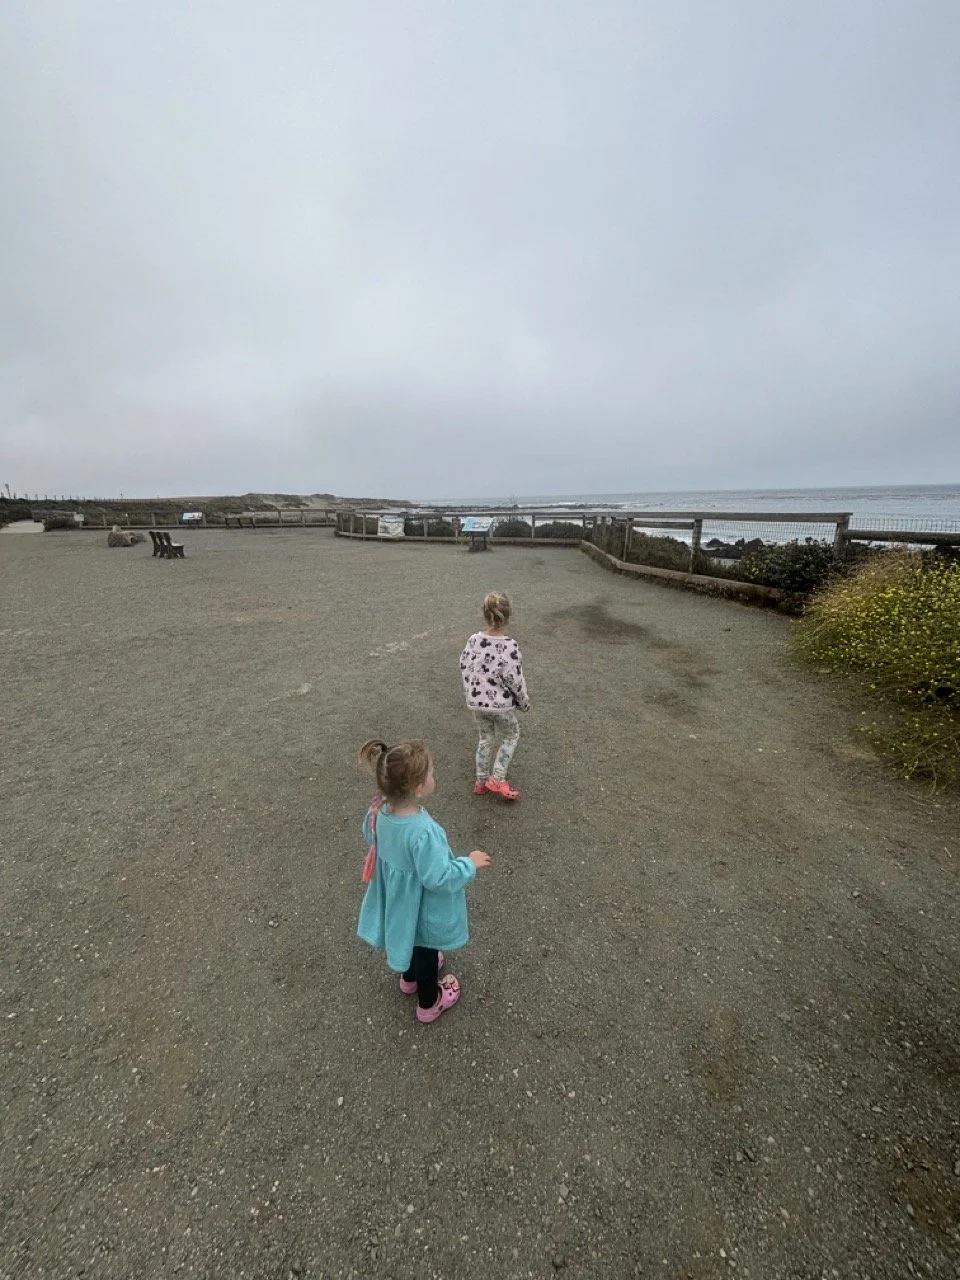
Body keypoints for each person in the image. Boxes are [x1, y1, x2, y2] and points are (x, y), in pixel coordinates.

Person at [356, 739, 491, 1023]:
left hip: (396, 898)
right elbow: (438, 877)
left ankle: (409, 978)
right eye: (431, 774)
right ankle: (430, 1002)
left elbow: (372, 840)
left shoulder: (378, 812)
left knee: (406, 933)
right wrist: (469, 863)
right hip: (420, 904)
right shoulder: (422, 831)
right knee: (424, 945)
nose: (434, 777)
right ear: (418, 788)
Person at [459, 590, 530, 801]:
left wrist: (470, 692)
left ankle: (481, 781)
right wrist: (523, 702)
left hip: (477, 703)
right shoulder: (510, 646)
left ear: (484, 614)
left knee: (485, 738)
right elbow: (515, 680)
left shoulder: (473, 641)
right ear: (508, 616)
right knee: (510, 735)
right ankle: (498, 777)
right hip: (501, 706)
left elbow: (464, 666)